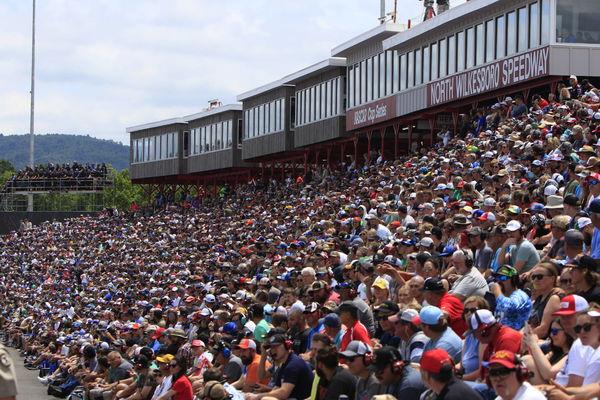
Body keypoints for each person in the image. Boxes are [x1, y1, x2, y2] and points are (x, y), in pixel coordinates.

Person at [244, 334, 313, 400]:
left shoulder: (293, 364)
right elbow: (276, 388)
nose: (273, 350)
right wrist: (264, 355)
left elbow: (283, 393)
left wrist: (257, 396)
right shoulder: (283, 364)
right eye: (271, 347)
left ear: (286, 346)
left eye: (276, 346)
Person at [491, 265, 532, 330]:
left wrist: (497, 291)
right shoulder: (502, 297)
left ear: (514, 280)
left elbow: (508, 307)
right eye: (497, 279)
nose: (499, 282)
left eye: (503, 278)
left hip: (515, 336)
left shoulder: (520, 295)